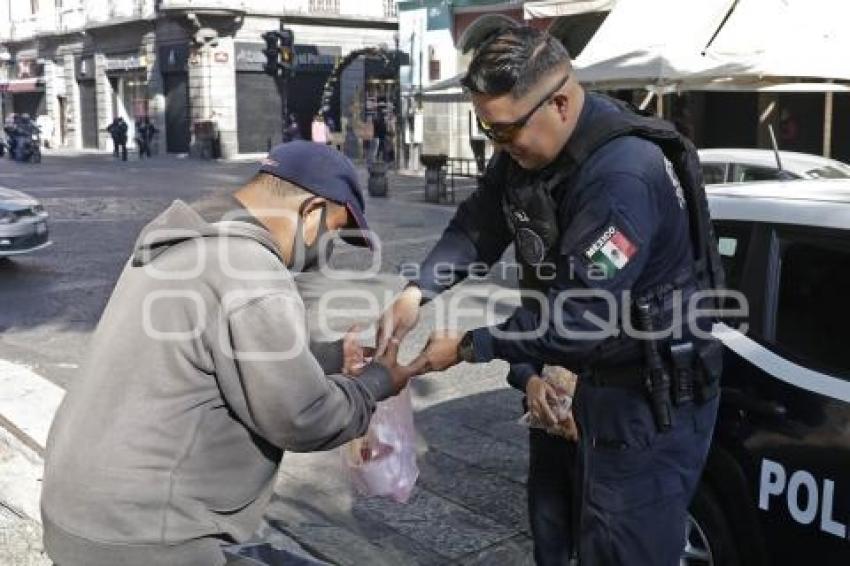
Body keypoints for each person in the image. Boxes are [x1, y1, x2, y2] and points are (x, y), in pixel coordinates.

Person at [377, 26, 724, 566]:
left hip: (641, 403)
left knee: (619, 550)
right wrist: (415, 291)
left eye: (505, 131)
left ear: (559, 101)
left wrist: (470, 346)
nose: (499, 146)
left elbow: (576, 321)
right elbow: (476, 228)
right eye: (487, 130)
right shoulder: (527, 151)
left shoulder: (623, 176)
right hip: (565, 385)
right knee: (553, 537)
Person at [41, 141, 419, 566]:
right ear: (311, 212)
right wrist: (378, 381)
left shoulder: (186, 246)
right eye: (333, 232)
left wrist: (333, 356)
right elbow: (305, 418)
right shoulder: (250, 271)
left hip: (80, 519)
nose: (327, 248)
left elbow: (232, 354)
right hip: (148, 540)